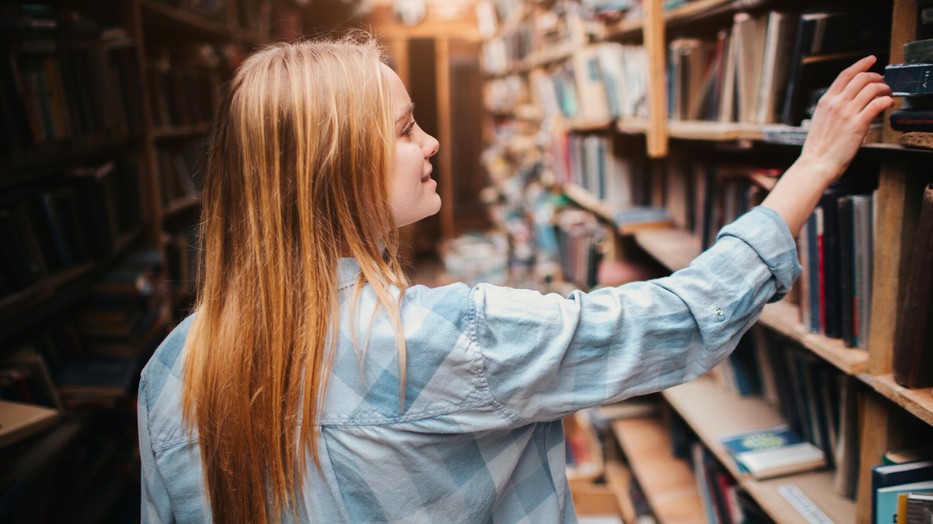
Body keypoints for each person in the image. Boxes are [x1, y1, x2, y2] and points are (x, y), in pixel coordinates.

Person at [137, 33, 892, 524]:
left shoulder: (171, 369)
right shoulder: (444, 339)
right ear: (331, 167)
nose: (431, 141)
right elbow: (682, 319)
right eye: (404, 130)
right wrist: (815, 164)